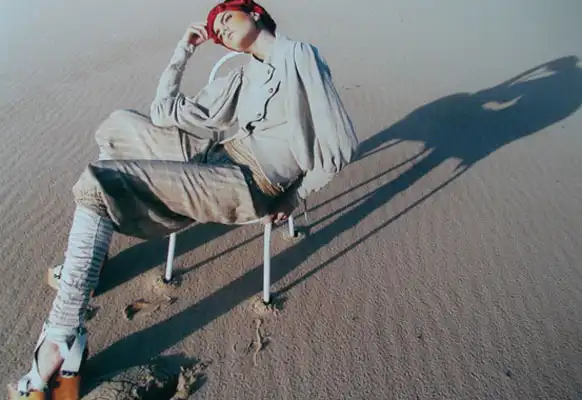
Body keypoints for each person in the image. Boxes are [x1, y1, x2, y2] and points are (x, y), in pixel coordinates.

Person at [8, 0, 358, 398]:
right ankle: (89, 259)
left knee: (97, 182)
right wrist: (183, 52)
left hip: (246, 183)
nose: (221, 29)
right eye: (217, 30)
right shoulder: (244, 75)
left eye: (227, 18)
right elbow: (164, 113)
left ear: (255, 13)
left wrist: (294, 197)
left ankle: (61, 338)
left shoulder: (299, 55)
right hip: (214, 159)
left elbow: (340, 145)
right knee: (117, 126)